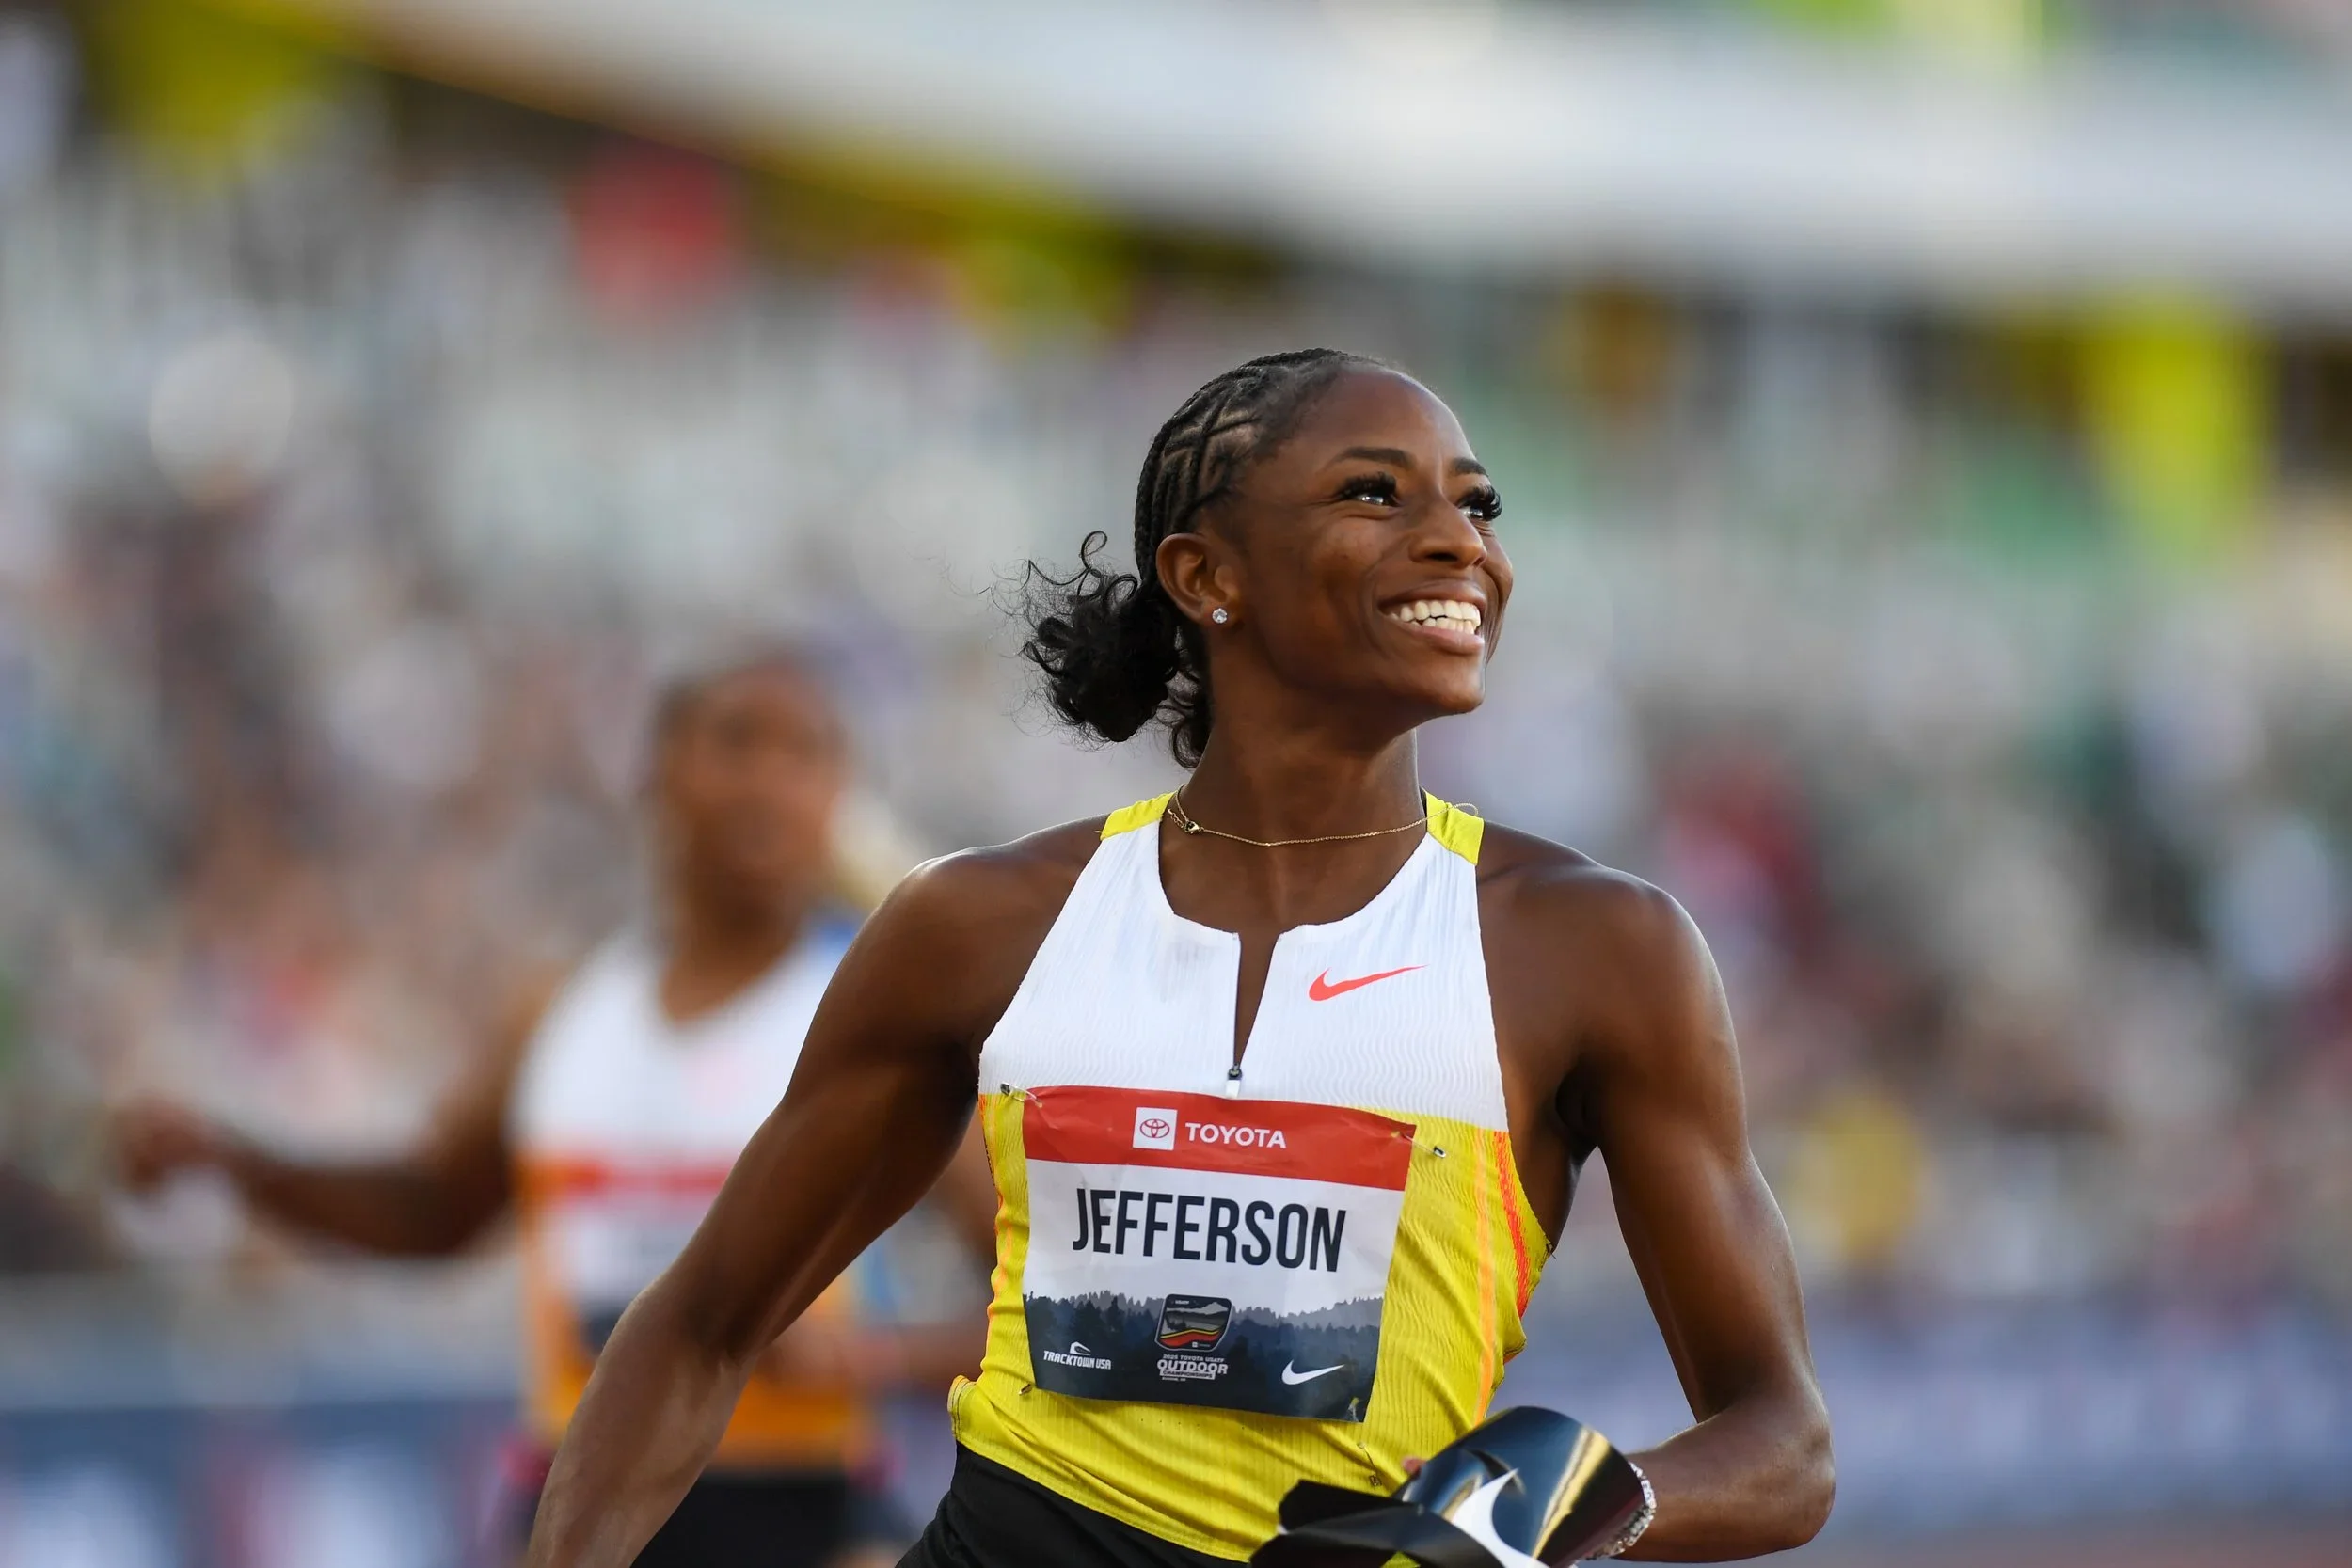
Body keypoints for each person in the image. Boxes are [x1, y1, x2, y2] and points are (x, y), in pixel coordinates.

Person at [519, 350, 1836, 1567]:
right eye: (1375, 492)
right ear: (1209, 577)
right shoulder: (982, 924)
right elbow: (699, 1325)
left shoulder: (1596, 945)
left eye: (1478, 504)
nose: (1458, 540)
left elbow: (1785, 1439)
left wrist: (1559, 1503)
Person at [113, 648, 993, 1568]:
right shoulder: (565, 1011)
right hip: (578, 1502)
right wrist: (236, 1163)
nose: (770, 779)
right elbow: (434, 1210)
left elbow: (1033, 1295)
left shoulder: (872, 1025)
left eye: (807, 753)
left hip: (801, 1502)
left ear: (836, 797)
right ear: (655, 774)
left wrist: (870, 1356)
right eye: (737, 741)